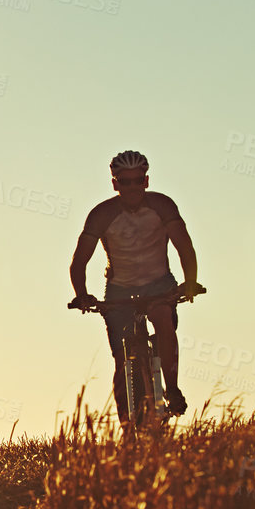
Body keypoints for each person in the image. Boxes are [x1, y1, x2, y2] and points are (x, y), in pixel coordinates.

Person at [70, 150, 202, 420]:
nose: (132, 187)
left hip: (159, 284)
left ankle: (173, 390)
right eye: (125, 181)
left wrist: (189, 282)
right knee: (121, 358)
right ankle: (128, 424)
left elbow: (185, 247)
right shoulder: (101, 214)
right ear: (115, 183)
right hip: (119, 289)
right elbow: (79, 261)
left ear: (147, 181)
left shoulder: (163, 206)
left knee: (163, 319)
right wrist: (81, 295)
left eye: (137, 181)